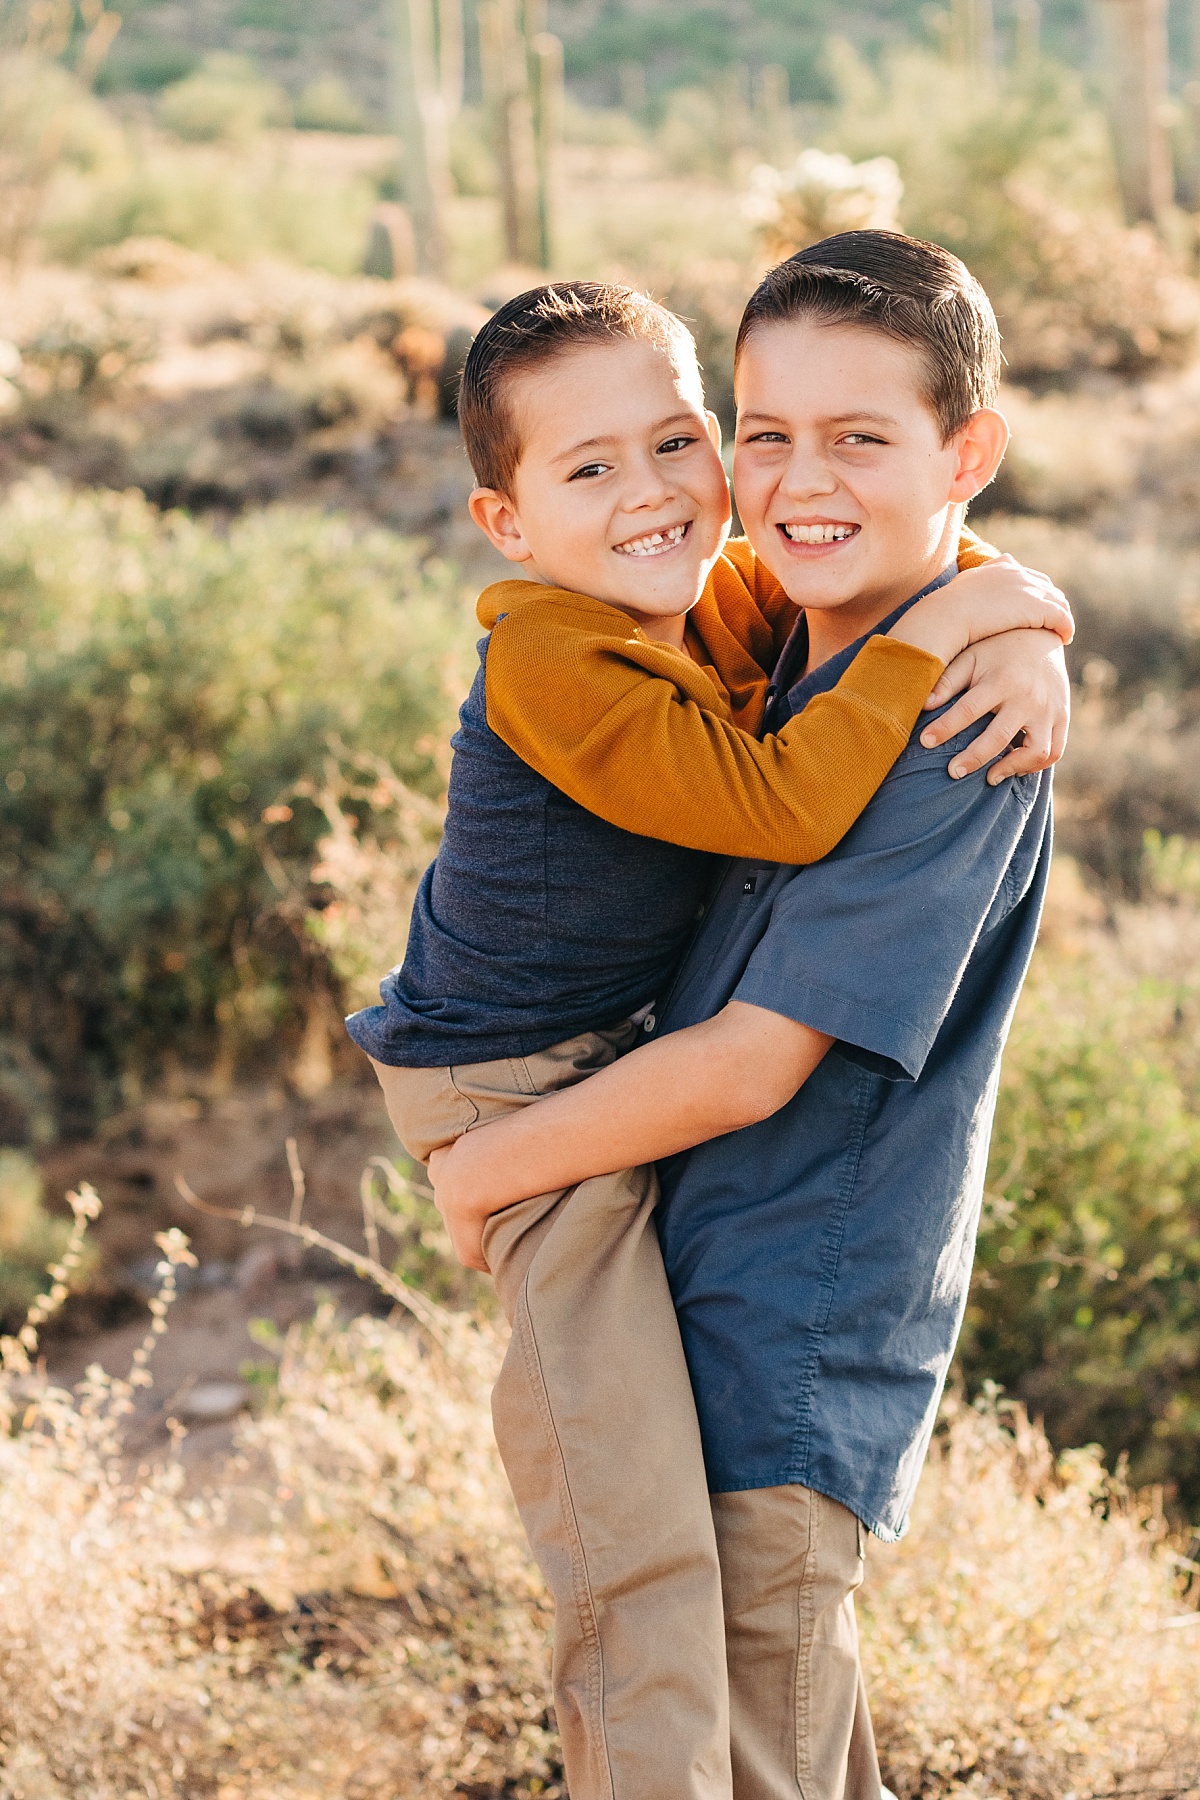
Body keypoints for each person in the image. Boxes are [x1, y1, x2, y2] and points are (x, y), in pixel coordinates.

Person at [351, 272, 1070, 1800]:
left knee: (684, 1604)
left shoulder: (775, 616)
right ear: (507, 520)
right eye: (762, 438)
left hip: (656, 1179)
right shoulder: (564, 646)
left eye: (678, 444)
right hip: (513, 1091)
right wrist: (975, 608)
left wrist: (1017, 611)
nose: (679, 491)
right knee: (638, 1570)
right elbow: (799, 770)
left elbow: (905, 553)